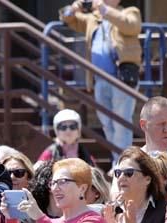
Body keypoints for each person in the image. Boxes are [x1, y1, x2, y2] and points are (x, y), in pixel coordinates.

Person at [60, 0, 141, 162]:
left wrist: (106, 10)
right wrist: (73, 8)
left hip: (121, 79)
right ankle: (118, 160)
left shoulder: (129, 12)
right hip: (99, 79)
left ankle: (123, 164)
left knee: (121, 124)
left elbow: (132, 26)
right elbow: (67, 18)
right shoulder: (92, 18)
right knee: (107, 125)